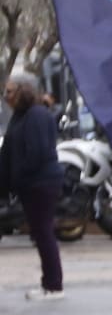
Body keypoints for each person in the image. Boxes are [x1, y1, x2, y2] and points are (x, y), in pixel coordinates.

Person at [2, 69, 64, 301]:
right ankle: (50, 283)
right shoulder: (21, 116)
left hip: (40, 183)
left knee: (43, 233)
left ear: (22, 91)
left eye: (9, 91)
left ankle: (53, 286)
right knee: (40, 233)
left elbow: (36, 153)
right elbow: (8, 152)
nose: (5, 96)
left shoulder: (37, 115)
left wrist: (18, 176)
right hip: (30, 184)